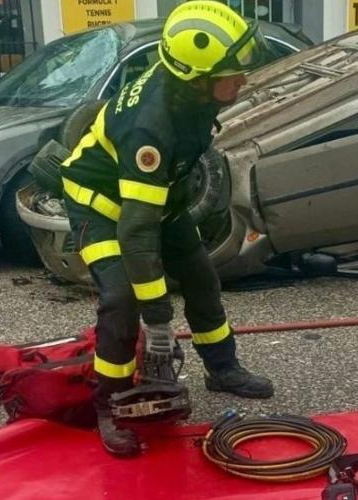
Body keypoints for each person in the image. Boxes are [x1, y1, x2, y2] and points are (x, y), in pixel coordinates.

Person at [60, 1, 274, 457]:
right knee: (122, 300)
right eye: (232, 74)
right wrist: (157, 320)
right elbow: (136, 233)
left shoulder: (188, 91)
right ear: (196, 78)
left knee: (201, 277)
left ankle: (223, 368)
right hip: (104, 209)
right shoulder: (150, 129)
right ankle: (110, 403)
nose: (242, 79)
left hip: (160, 198)